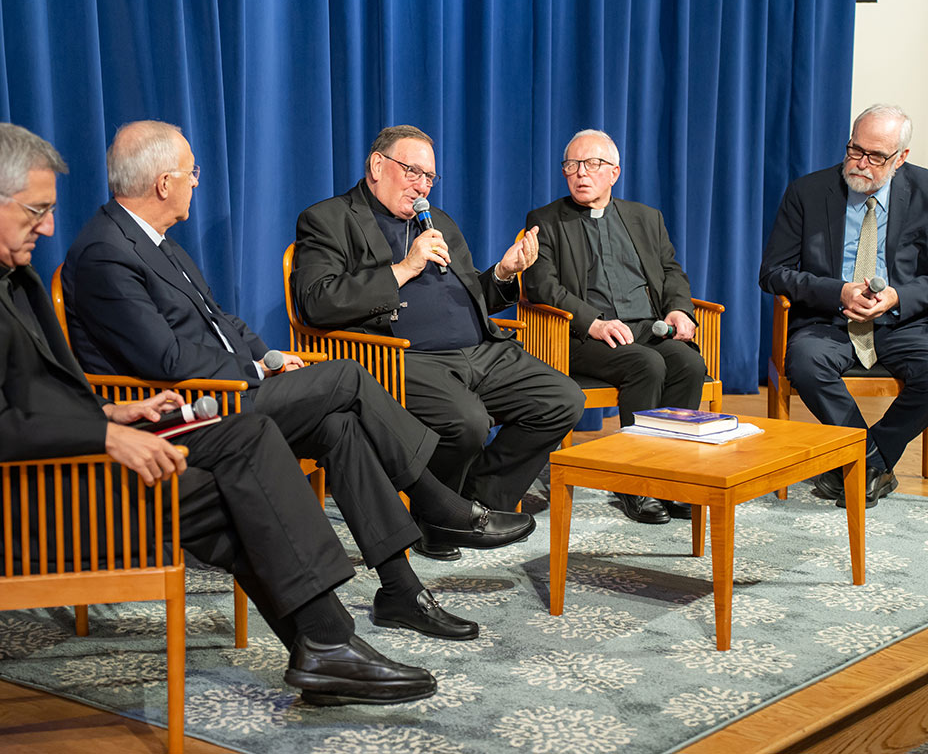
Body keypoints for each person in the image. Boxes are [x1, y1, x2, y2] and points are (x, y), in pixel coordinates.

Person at [0, 121, 440, 706]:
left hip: (70, 455)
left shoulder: (6, 269)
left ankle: (327, 649)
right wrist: (102, 435)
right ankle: (329, 643)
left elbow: (32, 392)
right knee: (246, 472)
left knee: (248, 445)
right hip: (27, 496)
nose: (48, 226)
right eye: (36, 211)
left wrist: (114, 413)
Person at [62, 120, 534, 582]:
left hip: (227, 388)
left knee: (339, 425)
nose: (196, 183)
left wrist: (268, 357)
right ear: (165, 183)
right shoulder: (107, 253)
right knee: (346, 376)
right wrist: (253, 370)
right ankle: (440, 504)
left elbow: (223, 321)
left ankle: (399, 588)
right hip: (186, 410)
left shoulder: (159, 244)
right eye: (192, 173)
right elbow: (164, 361)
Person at [292, 124, 585, 558]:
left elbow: (468, 299)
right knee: (467, 422)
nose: (422, 187)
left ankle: (470, 505)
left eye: (429, 177)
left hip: (481, 351)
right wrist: (403, 269)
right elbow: (316, 302)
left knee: (563, 398)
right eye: (412, 171)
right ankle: (441, 516)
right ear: (377, 165)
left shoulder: (439, 221)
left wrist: (503, 273)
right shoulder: (329, 219)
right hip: (401, 358)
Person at [523, 129, 705, 525]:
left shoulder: (645, 218)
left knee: (689, 364)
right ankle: (634, 483)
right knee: (647, 365)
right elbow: (541, 285)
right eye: (571, 165)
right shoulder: (546, 221)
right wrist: (594, 323)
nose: (580, 174)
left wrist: (678, 309)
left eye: (592, 165)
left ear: (614, 173)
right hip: (582, 336)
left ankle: (673, 477)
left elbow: (672, 271)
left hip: (648, 327)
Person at [759, 104, 928, 508]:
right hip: (827, 321)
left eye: (876, 156)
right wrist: (838, 292)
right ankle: (871, 463)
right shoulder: (808, 191)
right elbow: (772, 273)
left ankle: (865, 460)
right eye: (855, 150)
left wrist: (898, 296)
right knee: (804, 362)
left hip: (901, 323)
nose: (861, 164)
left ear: (901, 158)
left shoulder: (925, 193)